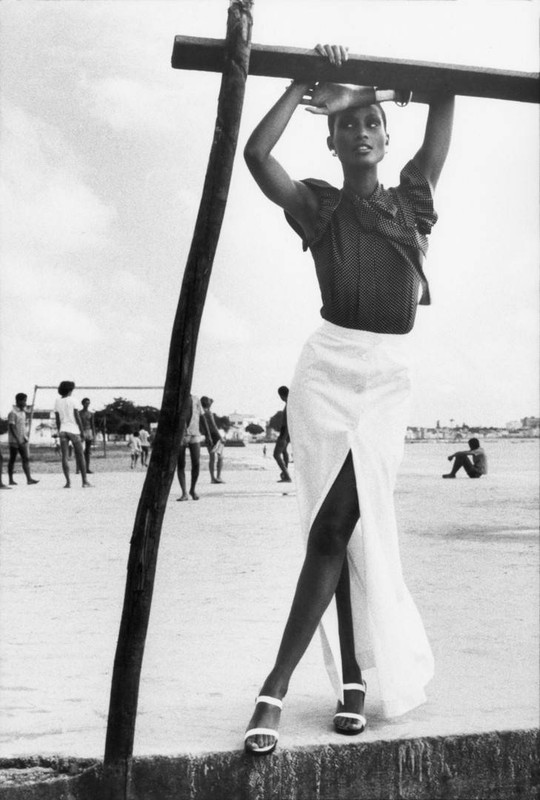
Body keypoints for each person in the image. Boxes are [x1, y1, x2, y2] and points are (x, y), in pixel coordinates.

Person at [242, 43, 454, 754]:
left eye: (372, 123)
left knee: (346, 524)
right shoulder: (319, 206)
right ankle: (286, 687)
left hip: (387, 378)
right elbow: (255, 154)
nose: (361, 131)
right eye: (347, 123)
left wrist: (400, 84)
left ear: (385, 137)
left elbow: (445, 97)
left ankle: (347, 678)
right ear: (330, 135)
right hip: (328, 372)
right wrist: (307, 80)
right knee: (332, 527)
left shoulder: (412, 196)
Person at [54, 381, 91, 488]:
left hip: (63, 430)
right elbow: (77, 417)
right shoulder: (73, 400)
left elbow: (57, 419)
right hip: (73, 430)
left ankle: (68, 482)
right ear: (70, 390)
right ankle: (84, 481)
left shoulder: (57, 401)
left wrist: (59, 429)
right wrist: (82, 431)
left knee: (64, 457)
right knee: (80, 455)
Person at [7, 393, 39, 486]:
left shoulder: (23, 412)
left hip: (23, 439)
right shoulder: (12, 413)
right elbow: (12, 427)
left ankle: (29, 479)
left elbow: (22, 426)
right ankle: (10, 480)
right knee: (12, 459)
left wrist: (24, 438)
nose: (25, 402)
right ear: (18, 401)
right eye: (24, 400)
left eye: (25, 400)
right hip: (14, 441)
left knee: (26, 458)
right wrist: (17, 439)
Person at [177, 395, 203, 501]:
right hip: (181, 434)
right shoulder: (177, 398)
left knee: (196, 462)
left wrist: (208, 436)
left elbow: (202, 416)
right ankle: (184, 492)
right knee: (181, 464)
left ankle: (192, 489)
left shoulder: (196, 399)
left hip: (195, 432)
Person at [200, 396, 225, 484]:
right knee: (220, 457)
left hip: (207, 436)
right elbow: (214, 426)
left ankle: (212, 478)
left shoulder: (201, 413)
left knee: (212, 458)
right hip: (215, 436)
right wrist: (221, 437)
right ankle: (218, 476)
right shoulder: (209, 413)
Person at [273, 386, 291, 483]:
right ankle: (285, 473)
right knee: (284, 451)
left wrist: (284, 437)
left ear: (281, 395)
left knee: (276, 454)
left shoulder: (289, 405)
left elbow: (288, 422)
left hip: (284, 432)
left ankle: (287, 475)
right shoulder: (290, 404)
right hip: (286, 433)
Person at [77, 398, 96, 474]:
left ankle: (87, 468)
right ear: (83, 403)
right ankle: (79, 468)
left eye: (88, 403)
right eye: (86, 403)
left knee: (87, 451)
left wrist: (93, 434)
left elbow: (92, 424)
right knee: (80, 450)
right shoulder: (79, 413)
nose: (87, 404)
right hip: (81, 431)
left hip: (88, 431)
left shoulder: (91, 414)